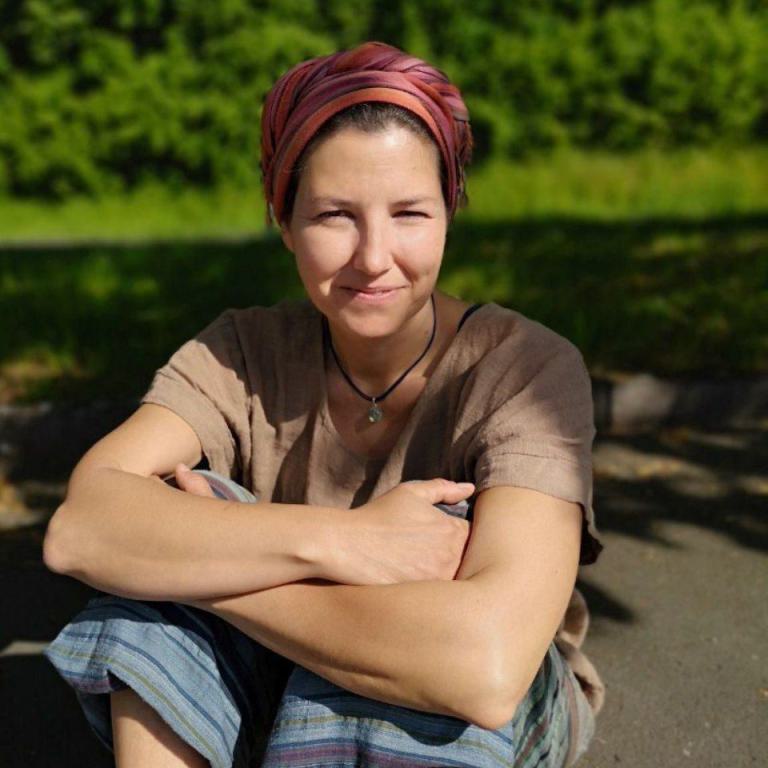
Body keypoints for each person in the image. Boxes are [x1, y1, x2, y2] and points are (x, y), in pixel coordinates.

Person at [42, 41, 605, 767]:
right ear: (285, 222)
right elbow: (80, 530)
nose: (373, 257)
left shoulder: (528, 370)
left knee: (193, 557)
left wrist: (203, 576)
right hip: (278, 667)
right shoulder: (241, 352)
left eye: (410, 213)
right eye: (336, 215)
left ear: (450, 212)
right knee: (158, 592)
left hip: (477, 708)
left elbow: (487, 669)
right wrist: (345, 541)